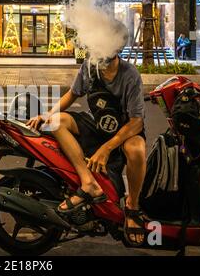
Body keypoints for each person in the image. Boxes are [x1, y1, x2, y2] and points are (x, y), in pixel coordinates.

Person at [27, 20, 147, 246]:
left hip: (124, 131)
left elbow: (136, 122)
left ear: (115, 49)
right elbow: (72, 94)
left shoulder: (130, 76)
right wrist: (47, 114)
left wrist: (106, 148)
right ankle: (88, 181)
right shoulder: (90, 66)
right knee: (56, 122)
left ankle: (133, 206)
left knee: (137, 148)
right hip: (97, 126)